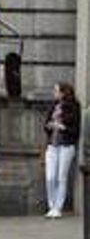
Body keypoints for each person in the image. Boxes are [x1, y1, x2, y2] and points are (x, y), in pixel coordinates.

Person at [42, 82, 81, 218]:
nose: (55, 93)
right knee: (50, 177)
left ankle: (58, 207)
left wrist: (63, 127)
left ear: (64, 92)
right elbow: (45, 124)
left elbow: (76, 129)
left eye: (56, 90)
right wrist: (50, 126)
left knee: (61, 177)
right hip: (52, 144)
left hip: (66, 145)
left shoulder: (74, 107)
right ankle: (51, 205)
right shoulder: (53, 106)